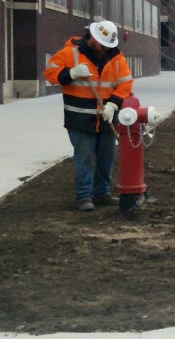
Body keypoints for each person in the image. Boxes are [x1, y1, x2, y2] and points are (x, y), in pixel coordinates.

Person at [44, 21, 132, 211]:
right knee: (85, 157)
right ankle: (84, 196)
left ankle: (102, 193)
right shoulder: (70, 53)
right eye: (102, 45)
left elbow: (125, 85)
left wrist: (112, 104)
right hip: (80, 118)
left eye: (109, 46)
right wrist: (71, 73)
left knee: (106, 157)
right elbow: (50, 73)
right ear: (92, 38)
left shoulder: (116, 58)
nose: (105, 49)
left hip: (107, 116)